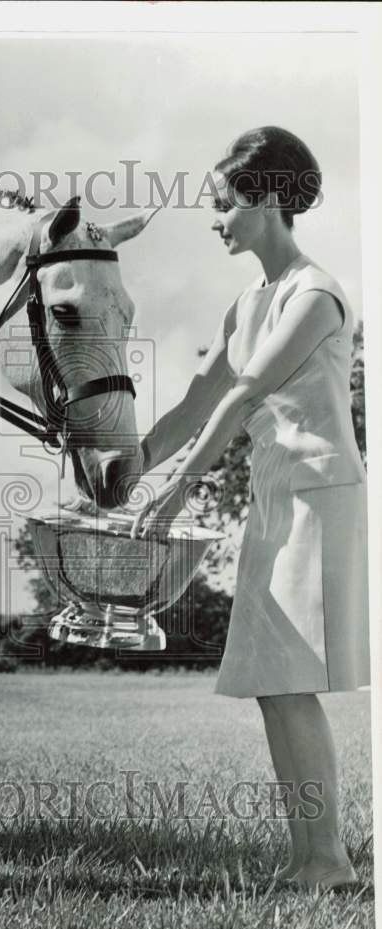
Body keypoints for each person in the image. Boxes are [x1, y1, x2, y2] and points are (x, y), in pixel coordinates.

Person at [130, 126, 369, 889]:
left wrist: (178, 487)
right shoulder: (248, 300)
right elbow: (195, 401)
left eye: (223, 202)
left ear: (266, 199)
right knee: (273, 681)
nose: (215, 218)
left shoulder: (316, 293)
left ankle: (326, 861)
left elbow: (244, 393)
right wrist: (125, 468)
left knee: (290, 678)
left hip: (317, 494)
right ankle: (312, 859)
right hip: (274, 494)